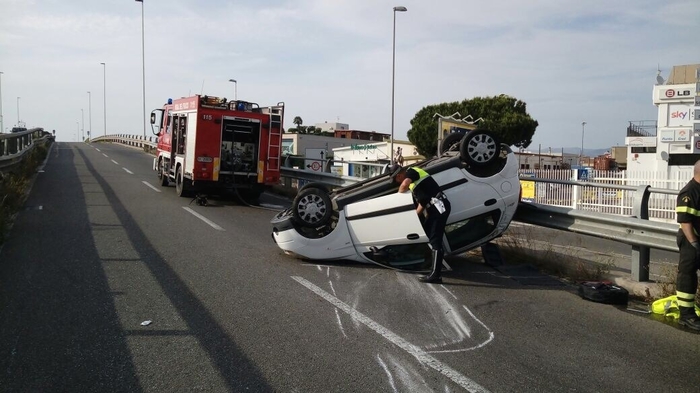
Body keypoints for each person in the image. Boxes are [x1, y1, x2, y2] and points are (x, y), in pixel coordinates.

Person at [398, 166, 451, 283]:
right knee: (428, 233)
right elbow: (423, 202)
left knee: (435, 239)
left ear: (399, 175)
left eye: (396, 179)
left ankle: (436, 275)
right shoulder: (415, 183)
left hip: (439, 207)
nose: (398, 182)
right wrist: (414, 217)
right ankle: (431, 265)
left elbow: (404, 185)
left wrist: (398, 197)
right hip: (434, 208)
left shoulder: (411, 172)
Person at [675, 159, 700, 331]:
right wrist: (694, 243)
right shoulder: (689, 192)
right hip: (691, 239)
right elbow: (685, 222)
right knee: (688, 275)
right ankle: (686, 315)